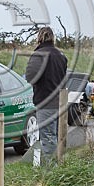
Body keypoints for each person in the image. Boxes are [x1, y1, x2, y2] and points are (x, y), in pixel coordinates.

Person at [25, 26, 68, 162]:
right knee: (57, 136)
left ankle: (52, 170)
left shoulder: (39, 55)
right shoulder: (61, 56)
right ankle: (60, 164)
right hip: (60, 101)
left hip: (45, 101)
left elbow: (30, 77)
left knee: (48, 137)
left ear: (39, 38)